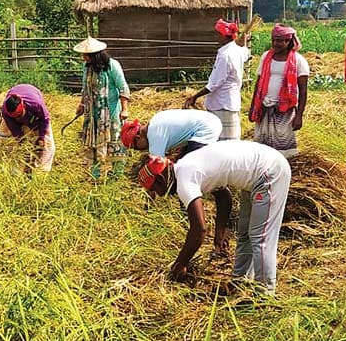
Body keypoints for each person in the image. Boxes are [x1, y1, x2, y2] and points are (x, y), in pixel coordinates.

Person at [137, 140, 291, 295]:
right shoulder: (186, 165)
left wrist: (180, 264)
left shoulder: (184, 179)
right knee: (245, 234)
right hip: (254, 175)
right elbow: (223, 196)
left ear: (161, 180)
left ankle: (265, 294)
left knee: (261, 237)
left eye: (154, 189)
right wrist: (220, 231)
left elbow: (199, 230)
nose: (158, 194)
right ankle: (240, 282)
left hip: (268, 172)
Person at [248, 24, 309, 158]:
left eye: (280, 41)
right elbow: (258, 83)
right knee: (262, 145)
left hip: (285, 109)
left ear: (288, 41)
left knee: (283, 145)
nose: (276, 43)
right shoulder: (266, 57)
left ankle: (283, 170)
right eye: (274, 40)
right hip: (264, 106)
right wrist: (253, 106)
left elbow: (303, 91)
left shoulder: (299, 61)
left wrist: (299, 116)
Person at [184, 19, 251, 140]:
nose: (215, 36)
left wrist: (195, 96)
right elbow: (246, 53)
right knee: (231, 138)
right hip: (230, 102)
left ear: (223, 36)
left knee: (223, 141)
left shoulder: (225, 56)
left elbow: (214, 84)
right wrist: (245, 41)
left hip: (222, 104)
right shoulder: (237, 50)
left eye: (217, 33)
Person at [75, 36, 131, 179]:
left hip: (110, 112)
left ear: (95, 56)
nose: (83, 58)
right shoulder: (86, 68)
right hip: (92, 113)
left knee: (114, 140)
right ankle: (95, 174)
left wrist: (124, 109)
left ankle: (116, 173)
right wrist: (81, 104)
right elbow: (84, 88)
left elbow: (123, 88)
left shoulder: (112, 66)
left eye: (86, 55)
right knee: (92, 142)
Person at [120, 109, 222, 160]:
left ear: (138, 138)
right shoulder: (155, 121)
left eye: (135, 147)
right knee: (182, 161)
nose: (139, 150)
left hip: (205, 129)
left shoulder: (154, 136)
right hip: (209, 119)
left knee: (191, 167)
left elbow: (158, 167)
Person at [0, 84, 54, 172]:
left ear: (24, 106)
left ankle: (42, 170)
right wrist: (21, 140)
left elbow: (45, 119)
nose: (18, 119)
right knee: (7, 142)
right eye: (15, 117)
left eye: (20, 115)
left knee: (48, 144)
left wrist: (41, 137)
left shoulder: (36, 104)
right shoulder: (5, 112)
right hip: (16, 97)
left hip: (33, 93)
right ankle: (14, 170)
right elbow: (14, 128)